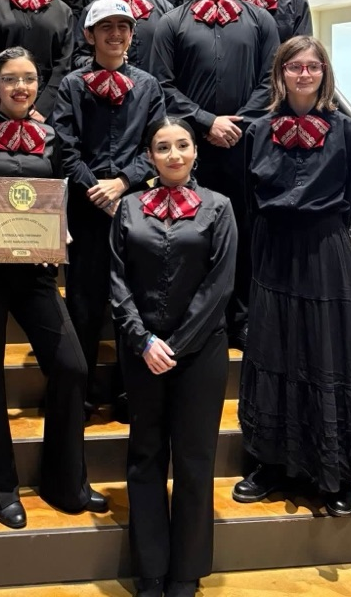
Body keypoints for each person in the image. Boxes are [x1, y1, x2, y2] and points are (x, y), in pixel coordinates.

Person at [0, 47, 108, 528]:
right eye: (11, 79)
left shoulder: (53, 138)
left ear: (38, 85)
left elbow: (58, 195)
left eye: (29, 79)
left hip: (36, 269)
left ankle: (66, 482)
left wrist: (63, 228)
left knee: (72, 367)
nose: (21, 87)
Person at [234, 37, 351, 516]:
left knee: (326, 349)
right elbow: (250, 199)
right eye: (294, 66)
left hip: (325, 248)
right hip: (274, 247)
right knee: (273, 347)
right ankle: (269, 463)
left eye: (313, 66)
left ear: (324, 73)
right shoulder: (257, 131)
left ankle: (331, 471)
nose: (304, 74)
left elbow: (350, 192)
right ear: (280, 73)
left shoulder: (350, 134)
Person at [110, 117, 237, 597]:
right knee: (144, 456)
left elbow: (220, 285)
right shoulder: (128, 208)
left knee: (193, 459)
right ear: (151, 156)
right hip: (141, 350)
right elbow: (118, 281)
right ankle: (151, 570)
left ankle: (186, 573)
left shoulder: (219, 208)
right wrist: (143, 340)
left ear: (195, 152)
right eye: (163, 147)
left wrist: (176, 346)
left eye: (182, 145)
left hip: (200, 352)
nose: (174, 154)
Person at [152, 0, 279, 348]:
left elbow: (270, 82)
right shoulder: (172, 22)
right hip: (192, 150)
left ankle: (240, 318)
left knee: (242, 232)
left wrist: (236, 124)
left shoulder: (261, 20)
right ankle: (194, 318)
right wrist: (207, 123)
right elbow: (163, 85)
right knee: (192, 234)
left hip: (245, 148)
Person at [53, 0, 166, 415]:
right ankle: (78, 394)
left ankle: (127, 390)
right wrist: (96, 190)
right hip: (85, 209)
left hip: (134, 207)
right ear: (89, 35)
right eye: (106, 28)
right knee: (84, 302)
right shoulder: (71, 85)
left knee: (133, 301)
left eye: (123, 27)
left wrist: (120, 184)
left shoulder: (149, 86)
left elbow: (155, 147)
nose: (115, 35)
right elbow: (64, 149)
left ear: (132, 35)